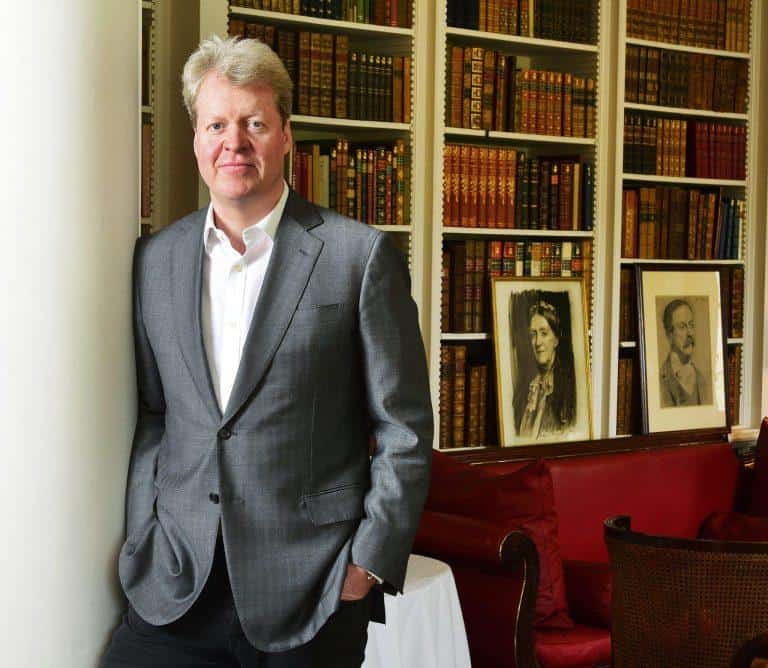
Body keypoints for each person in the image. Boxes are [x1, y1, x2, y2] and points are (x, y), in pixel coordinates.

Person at [101, 35, 432, 667]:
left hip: (310, 590)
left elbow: (405, 428)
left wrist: (367, 563)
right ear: (197, 137)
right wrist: (144, 531)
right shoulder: (155, 260)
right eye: (217, 124)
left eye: (254, 122)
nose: (235, 143)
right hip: (176, 582)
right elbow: (153, 414)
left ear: (285, 134)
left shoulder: (358, 257)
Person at [514, 300, 576, 438]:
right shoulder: (525, 390)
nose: (537, 342)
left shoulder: (568, 388)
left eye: (544, 333)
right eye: (533, 334)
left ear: (556, 339)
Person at [659, 299, 710, 406]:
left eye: (691, 325)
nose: (690, 333)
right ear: (669, 334)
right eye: (682, 327)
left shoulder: (702, 380)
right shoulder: (660, 380)